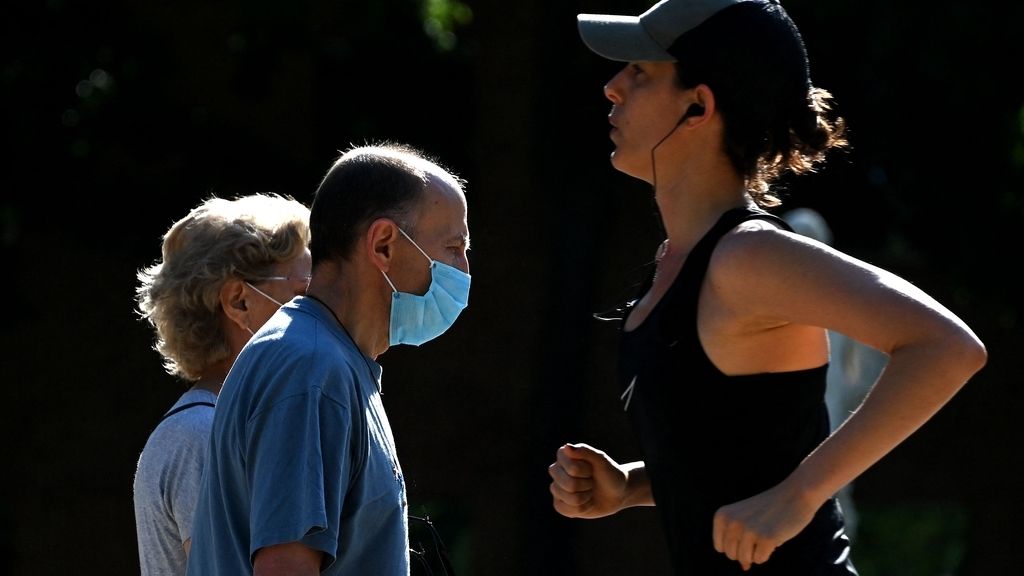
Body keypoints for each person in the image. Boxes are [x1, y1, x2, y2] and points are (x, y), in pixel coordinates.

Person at [547, 1, 987, 574]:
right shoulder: (678, 262)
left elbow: (949, 347)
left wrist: (802, 495)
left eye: (640, 72)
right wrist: (630, 486)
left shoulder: (748, 256)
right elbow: (744, 453)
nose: (611, 87)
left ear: (698, 106)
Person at [185, 142, 471, 576]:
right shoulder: (310, 370)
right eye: (453, 248)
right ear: (384, 245)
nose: (464, 271)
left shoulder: (333, 363)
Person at [133, 192, 312, 576]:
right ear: (239, 302)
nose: (319, 313)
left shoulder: (217, 426)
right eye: (302, 296)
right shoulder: (203, 434)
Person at [781, 206, 888, 541]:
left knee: (830, 494)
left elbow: (871, 365)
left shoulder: (843, 298)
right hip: (804, 415)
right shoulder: (778, 298)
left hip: (831, 412)